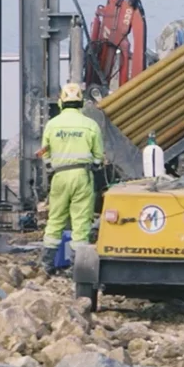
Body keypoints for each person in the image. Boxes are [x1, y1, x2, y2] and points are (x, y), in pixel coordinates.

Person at [34, 82, 105, 275]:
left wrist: (51, 166)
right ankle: (76, 268)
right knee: (81, 222)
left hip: (60, 176)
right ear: (81, 102)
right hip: (82, 175)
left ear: (61, 103)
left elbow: (44, 153)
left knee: (55, 219)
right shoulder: (91, 125)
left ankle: (47, 265)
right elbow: (99, 156)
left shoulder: (52, 125)